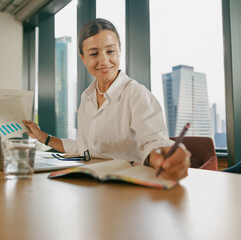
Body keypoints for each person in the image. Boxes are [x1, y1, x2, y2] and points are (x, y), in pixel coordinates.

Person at [23, 18, 191, 181]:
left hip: (126, 187)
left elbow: (154, 142)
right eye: (94, 53)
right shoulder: (86, 97)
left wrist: (162, 155)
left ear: (119, 51)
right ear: (83, 58)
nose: (104, 61)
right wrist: (43, 137)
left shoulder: (137, 94)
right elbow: (84, 148)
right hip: (90, 182)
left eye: (110, 51)